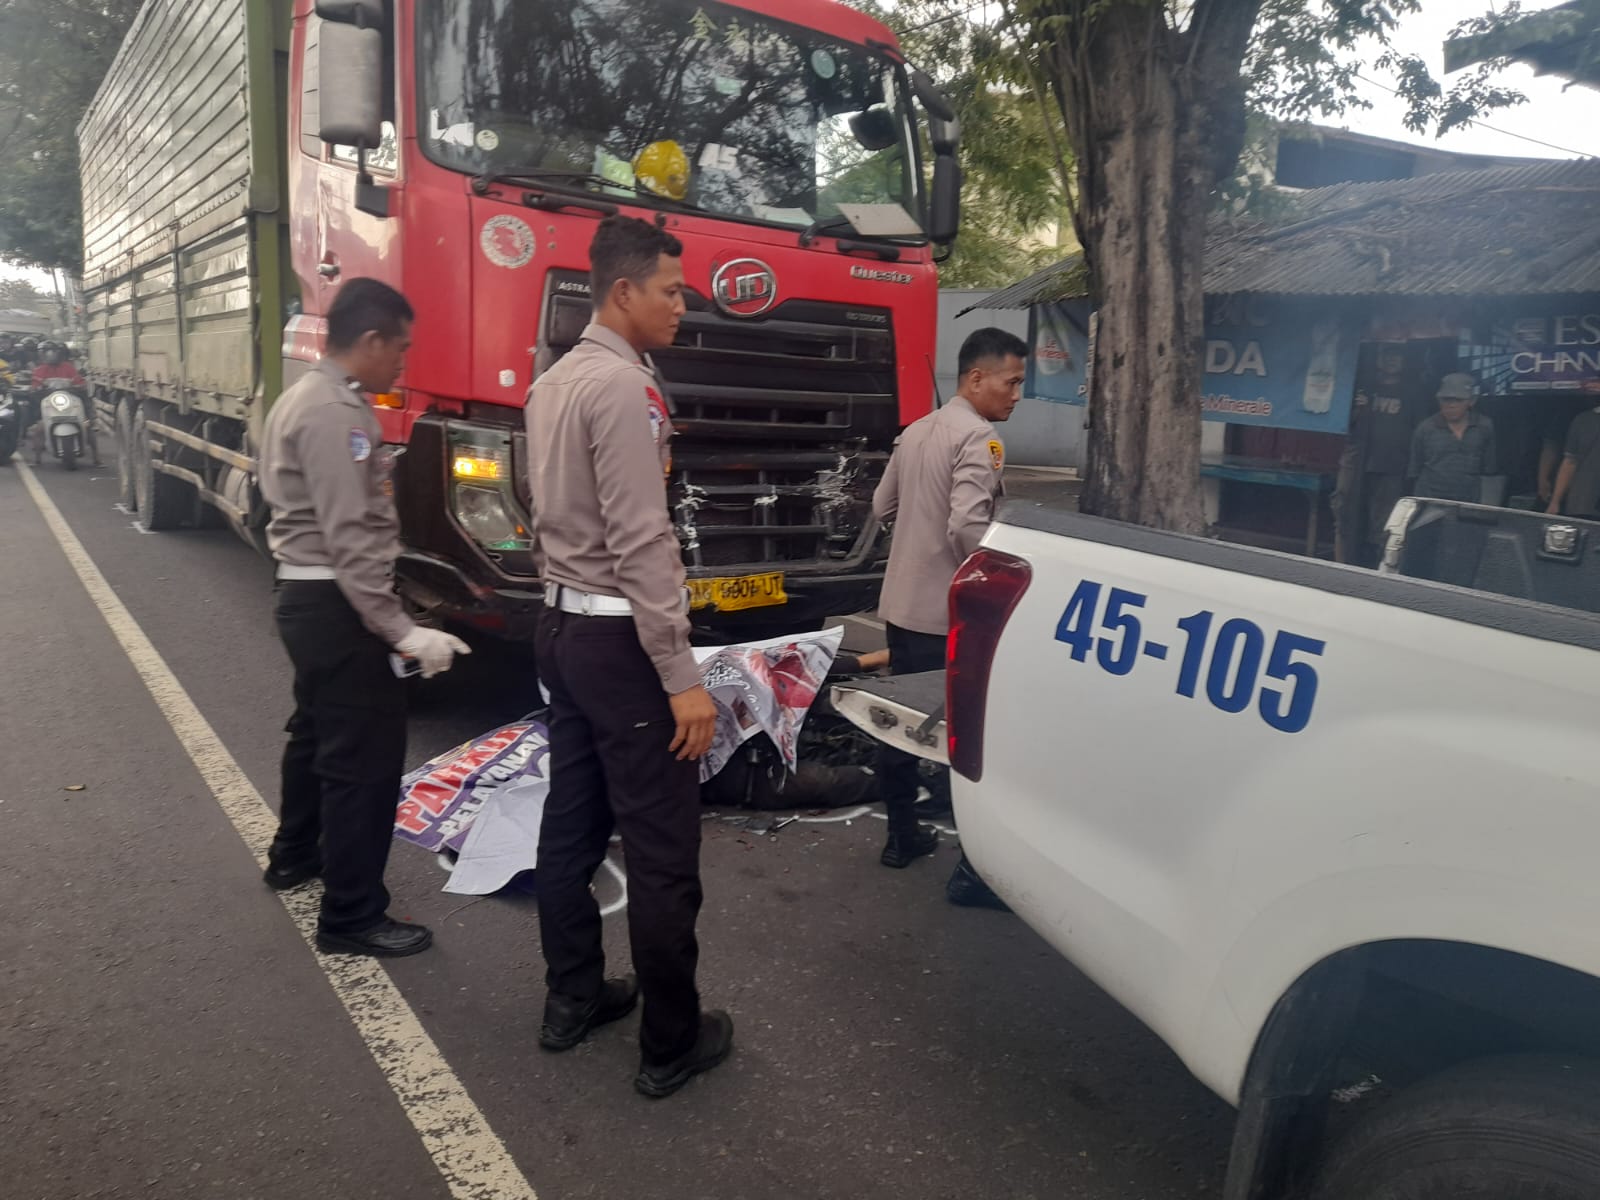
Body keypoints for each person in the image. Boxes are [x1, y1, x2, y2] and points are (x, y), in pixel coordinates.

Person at [525, 215, 730, 1099]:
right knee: (659, 846)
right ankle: (671, 1043)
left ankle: (571, 998)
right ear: (623, 291)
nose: (683, 306)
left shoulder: (553, 383)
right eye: (671, 291)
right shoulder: (624, 388)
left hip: (562, 629)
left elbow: (545, 514)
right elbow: (642, 536)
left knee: (570, 823)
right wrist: (681, 676)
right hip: (621, 644)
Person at [258, 278, 470, 958]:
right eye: (400, 348)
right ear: (371, 340)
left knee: (316, 735)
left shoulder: (306, 397)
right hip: (335, 603)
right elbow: (350, 539)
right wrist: (401, 630)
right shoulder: (336, 413)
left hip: (309, 597)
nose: (403, 363)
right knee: (364, 765)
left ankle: (295, 855)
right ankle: (351, 916)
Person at [871, 326, 1026, 871]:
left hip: (901, 607)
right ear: (976, 378)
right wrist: (995, 576)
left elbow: (882, 507)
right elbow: (967, 527)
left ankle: (900, 836)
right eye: (1011, 381)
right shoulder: (980, 439)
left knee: (902, 723)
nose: (1016, 394)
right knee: (964, 732)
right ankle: (973, 868)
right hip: (947, 615)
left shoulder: (916, 431)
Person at [1408, 373, 1496, 503]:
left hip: (1469, 500)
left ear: (1472, 401)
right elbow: (1415, 469)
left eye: (1458, 400)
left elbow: (1489, 468)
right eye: (1446, 399)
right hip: (1430, 499)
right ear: (1438, 400)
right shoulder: (1425, 428)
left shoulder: (1484, 426)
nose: (1451, 405)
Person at [31, 341, 96, 464]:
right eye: (47, 352)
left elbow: (80, 382)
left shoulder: (68, 367)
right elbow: (35, 386)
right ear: (41, 354)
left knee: (87, 425)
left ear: (59, 353)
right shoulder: (39, 370)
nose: (50, 355)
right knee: (39, 428)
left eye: (53, 352)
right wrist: (36, 389)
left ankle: (97, 458)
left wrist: (80, 386)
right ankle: (37, 459)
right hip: (49, 403)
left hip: (69, 401)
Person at [1546, 401, 1600, 520]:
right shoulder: (1583, 420)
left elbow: (1570, 462)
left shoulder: (1583, 420)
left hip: (1581, 504)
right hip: (1582, 505)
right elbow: (1569, 463)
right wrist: (1555, 502)